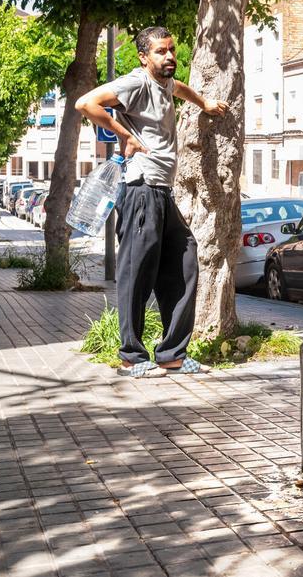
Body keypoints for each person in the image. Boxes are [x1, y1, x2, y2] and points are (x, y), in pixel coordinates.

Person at [74, 26, 228, 378]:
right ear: (144, 57)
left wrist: (202, 102)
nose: (170, 56)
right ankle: (131, 356)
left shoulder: (165, 84)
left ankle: (172, 353)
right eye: (161, 51)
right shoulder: (137, 82)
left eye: (172, 50)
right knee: (136, 272)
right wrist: (124, 134)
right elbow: (86, 103)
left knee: (186, 261)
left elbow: (180, 88)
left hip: (162, 192)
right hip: (141, 188)